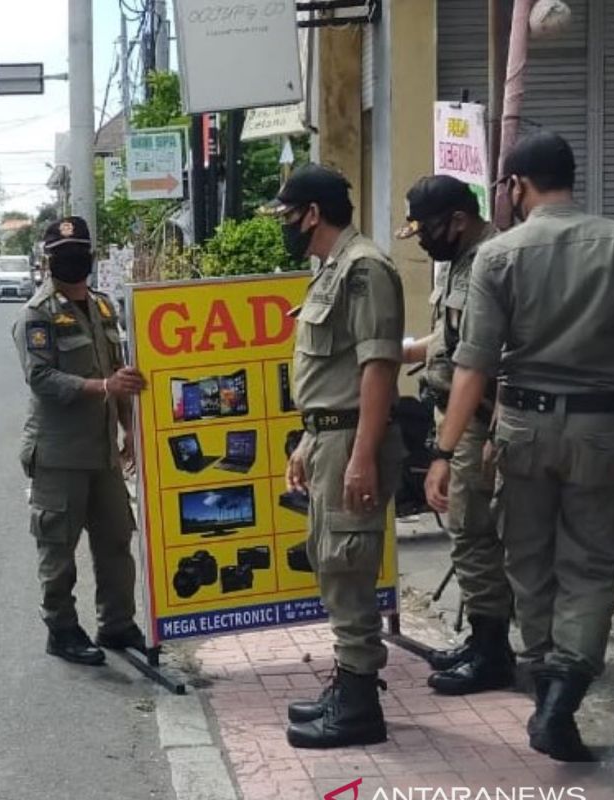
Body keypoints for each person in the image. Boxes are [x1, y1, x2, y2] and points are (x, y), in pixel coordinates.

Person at [425, 132, 614, 762]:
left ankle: (543, 688)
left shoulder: (498, 256)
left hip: (522, 430)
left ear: (515, 186)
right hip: (601, 428)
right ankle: (563, 695)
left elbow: (473, 366)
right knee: (590, 565)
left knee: (528, 562)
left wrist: (445, 451)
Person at [272, 165, 406, 749]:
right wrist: (309, 438)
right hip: (331, 437)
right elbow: (334, 371)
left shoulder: (364, 268)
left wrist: (361, 455)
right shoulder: (331, 268)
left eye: (286, 216)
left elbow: (378, 367)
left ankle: (358, 708)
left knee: (348, 565)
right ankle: (348, 687)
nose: (284, 226)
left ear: (312, 214)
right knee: (331, 563)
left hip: (353, 441)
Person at [396, 175, 513, 696]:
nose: (422, 241)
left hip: (479, 419)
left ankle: (493, 653)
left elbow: (489, 356)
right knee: (468, 533)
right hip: (457, 415)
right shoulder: (463, 261)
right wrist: (408, 352)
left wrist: (457, 442)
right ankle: (482, 641)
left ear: (458, 221)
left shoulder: (492, 261)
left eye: (427, 229)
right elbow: (451, 339)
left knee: (473, 531)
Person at [12, 216, 147, 666]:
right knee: (58, 550)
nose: (73, 261)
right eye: (62, 255)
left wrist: (127, 426)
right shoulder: (37, 313)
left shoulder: (105, 308)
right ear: (48, 261)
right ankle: (62, 629)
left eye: (79, 252)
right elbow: (42, 378)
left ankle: (117, 625)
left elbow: (120, 376)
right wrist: (103, 388)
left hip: (104, 451)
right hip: (59, 453)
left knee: (115, 541)